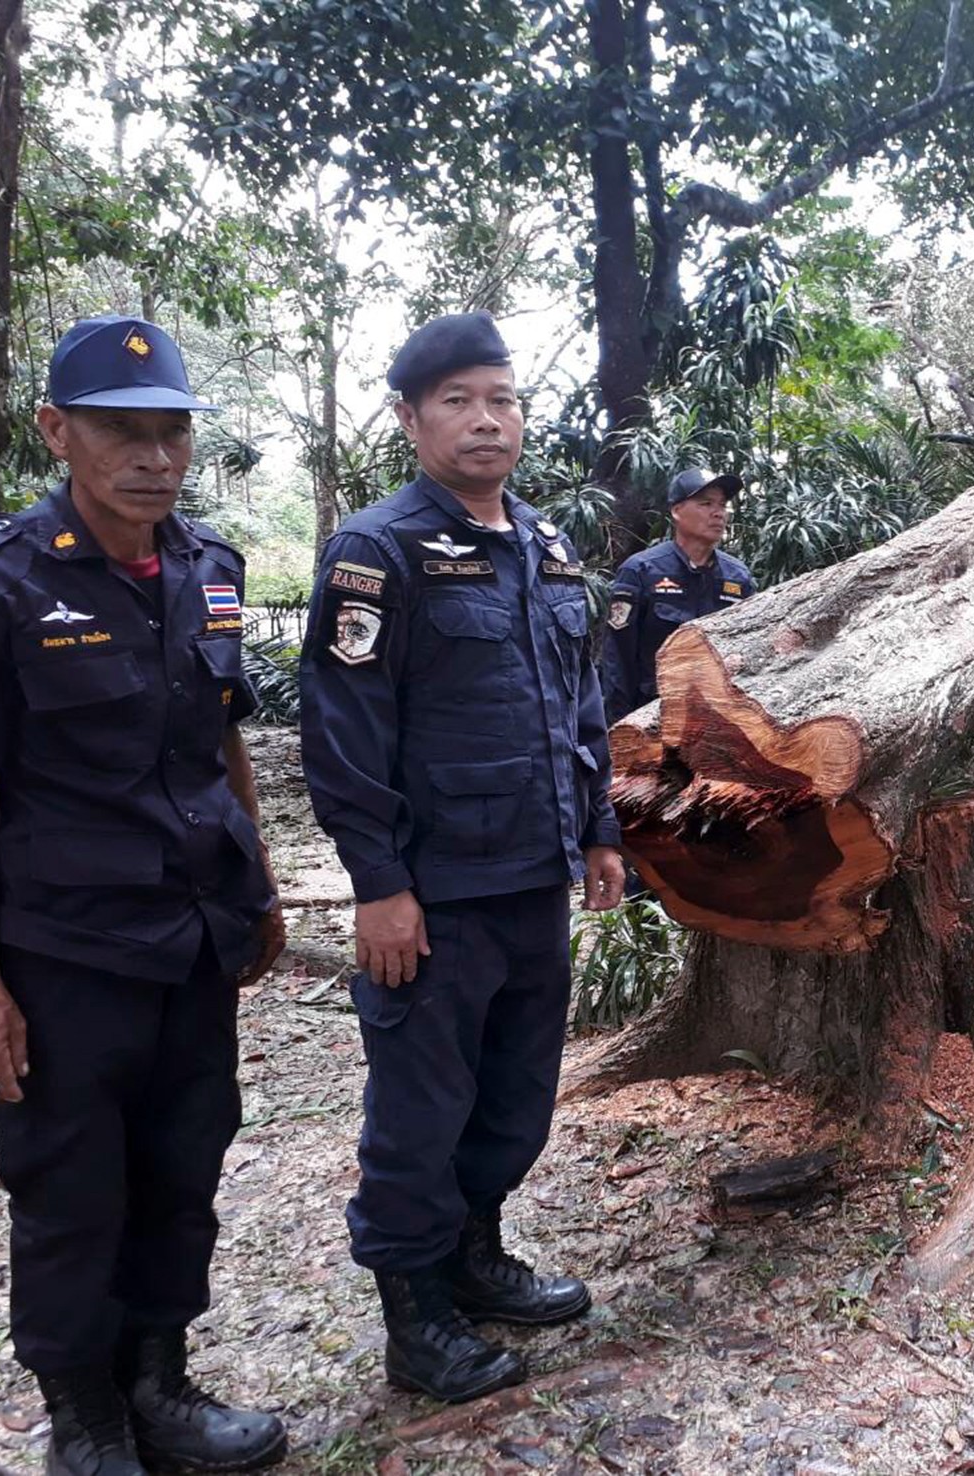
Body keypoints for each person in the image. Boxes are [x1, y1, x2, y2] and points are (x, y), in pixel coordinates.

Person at [0, 317, 287, 1476]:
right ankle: (84, 1417)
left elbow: (221, 738)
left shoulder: (211, 569)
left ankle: (160, 1383)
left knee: (184, 1163)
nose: (152, 457)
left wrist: (261, 883)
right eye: (120, 432)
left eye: (171, 435)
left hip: (193, 932)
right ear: (58, 431)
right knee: (69, 1186)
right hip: (63, 950)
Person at [299, 312, 627, 1404]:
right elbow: (341, 733)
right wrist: (379, 887)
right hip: (433, 895)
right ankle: (416, 1315)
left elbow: (578, 703)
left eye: (503, 398)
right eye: (458, 401)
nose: (486, 420)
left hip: (533, 877)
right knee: (421, 1108)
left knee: (516, 1097)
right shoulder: (376, 552)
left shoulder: (541, 546)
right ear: (410, 418)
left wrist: (598, 830)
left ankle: (476, 1258)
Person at [598, 466, 756, 725]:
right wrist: (619, 729)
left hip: (718, 722)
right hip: (651, 718)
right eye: (706, 503)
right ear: (676, 511)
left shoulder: (737, 577)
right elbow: (618, 661)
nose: (718, 513)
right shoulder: (641, 571)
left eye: (722, 504)